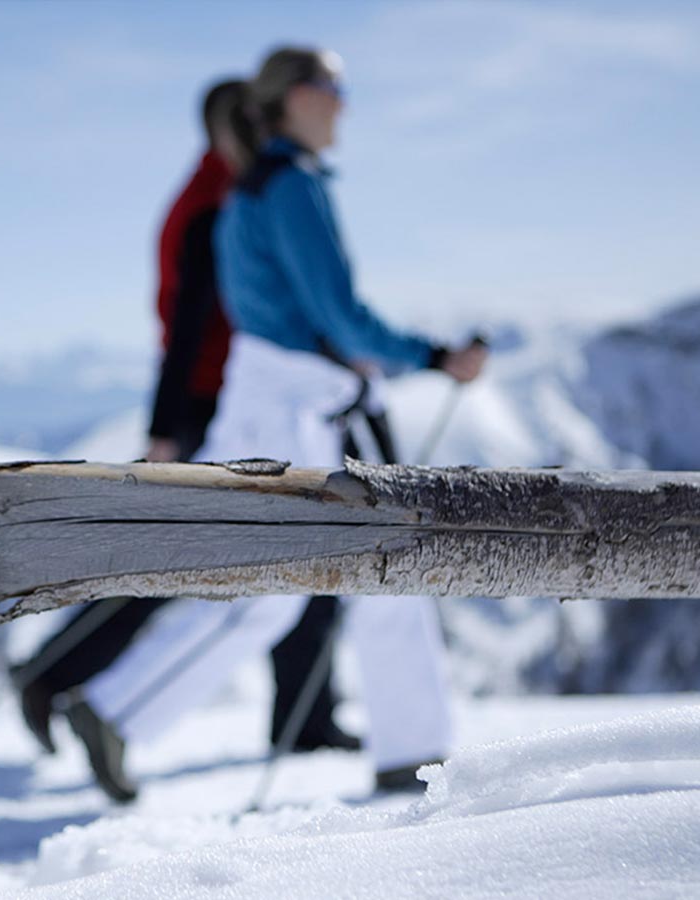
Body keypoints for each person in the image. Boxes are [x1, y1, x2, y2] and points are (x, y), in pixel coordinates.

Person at [68, 46, 487, 801]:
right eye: (333, 88)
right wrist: (434, 356)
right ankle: (415, 755)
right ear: (295, 97)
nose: (344, 104)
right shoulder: (290, 186)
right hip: (304, 410)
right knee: (381, 570)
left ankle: (117, 710)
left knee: (270, 592)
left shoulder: (252, 189)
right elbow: (340, 319)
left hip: (272, 400)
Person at [12, 78, 359, 780]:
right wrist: (170, 429)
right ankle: (52, 674)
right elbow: (189, 330)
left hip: (234, 402)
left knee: (248, 556)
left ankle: (308, 713)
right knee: (180, 561)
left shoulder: (218, 196)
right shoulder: (216, 207)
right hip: (217, 409)